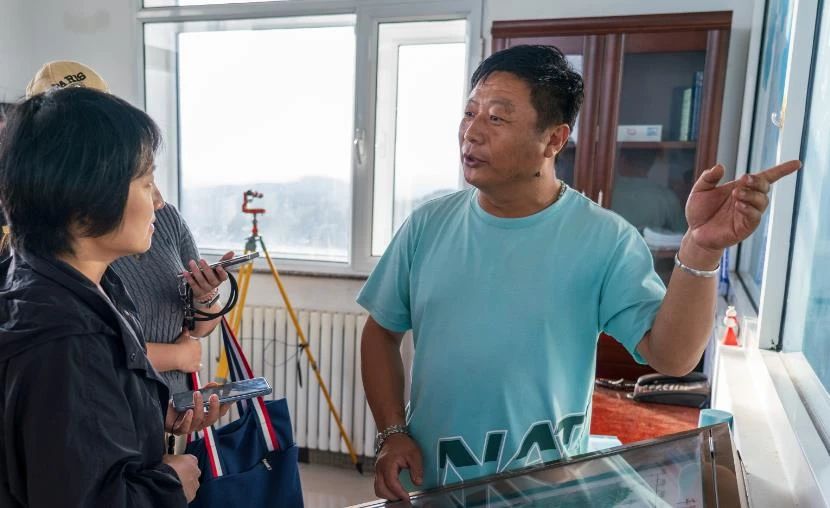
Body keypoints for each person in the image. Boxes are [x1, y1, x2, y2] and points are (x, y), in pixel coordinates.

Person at [358, 44, 800, 501]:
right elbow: (381, 332)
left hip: (546, 491)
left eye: (497, 118)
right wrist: (392, 432)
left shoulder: (604, 239)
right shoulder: (428, 226)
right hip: (434, 485)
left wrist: (701, 249)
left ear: (554, 139)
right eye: (469, 113)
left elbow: (673, 356)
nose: (471, 133)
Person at [0, 87, 228, 506]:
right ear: (83, 204)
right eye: (146, 182)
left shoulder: (82, 285)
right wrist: (169, 484)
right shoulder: (65, 341)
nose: (158, 200)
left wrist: (156, 413)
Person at [24, 60, 231, 400]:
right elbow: (85, 354)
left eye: (148, 178)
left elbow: (197, 329)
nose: (157, 200)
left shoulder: (160, 218)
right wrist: (176, 357)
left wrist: (204, 296)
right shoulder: (45, 256)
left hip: (158, 412)